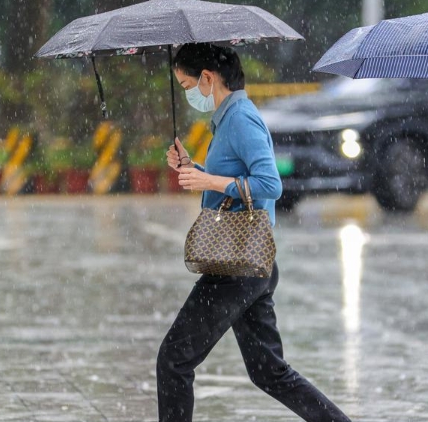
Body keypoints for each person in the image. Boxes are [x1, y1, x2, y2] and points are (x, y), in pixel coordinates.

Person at [157, 43, 351, 422]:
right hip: (252, 264)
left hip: (237, 266)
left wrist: (208, 178)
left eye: (186, 85)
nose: (187, 94)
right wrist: (192, 168)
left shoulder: (241, 118)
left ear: (208, 79)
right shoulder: (229, 118)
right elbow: (236, 178)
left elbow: (270, 184)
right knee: (269, 372)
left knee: (173, 360)